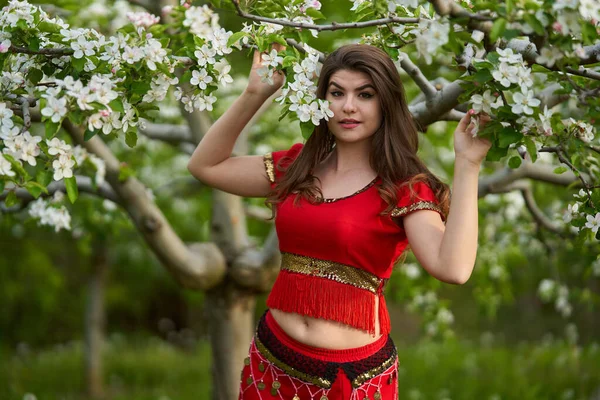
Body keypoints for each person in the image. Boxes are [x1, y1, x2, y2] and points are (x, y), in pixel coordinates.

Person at [188, 43, 491, 399]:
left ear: (386, 103)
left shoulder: (404, 188)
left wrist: (467, 164)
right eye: (336, 93)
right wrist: (256, 94)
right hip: (271, 363)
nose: (348, 106)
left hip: (350, 379)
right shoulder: (297, 167)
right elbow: (205, 166)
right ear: (322, 101)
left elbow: (453, 269)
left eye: (365, 94)